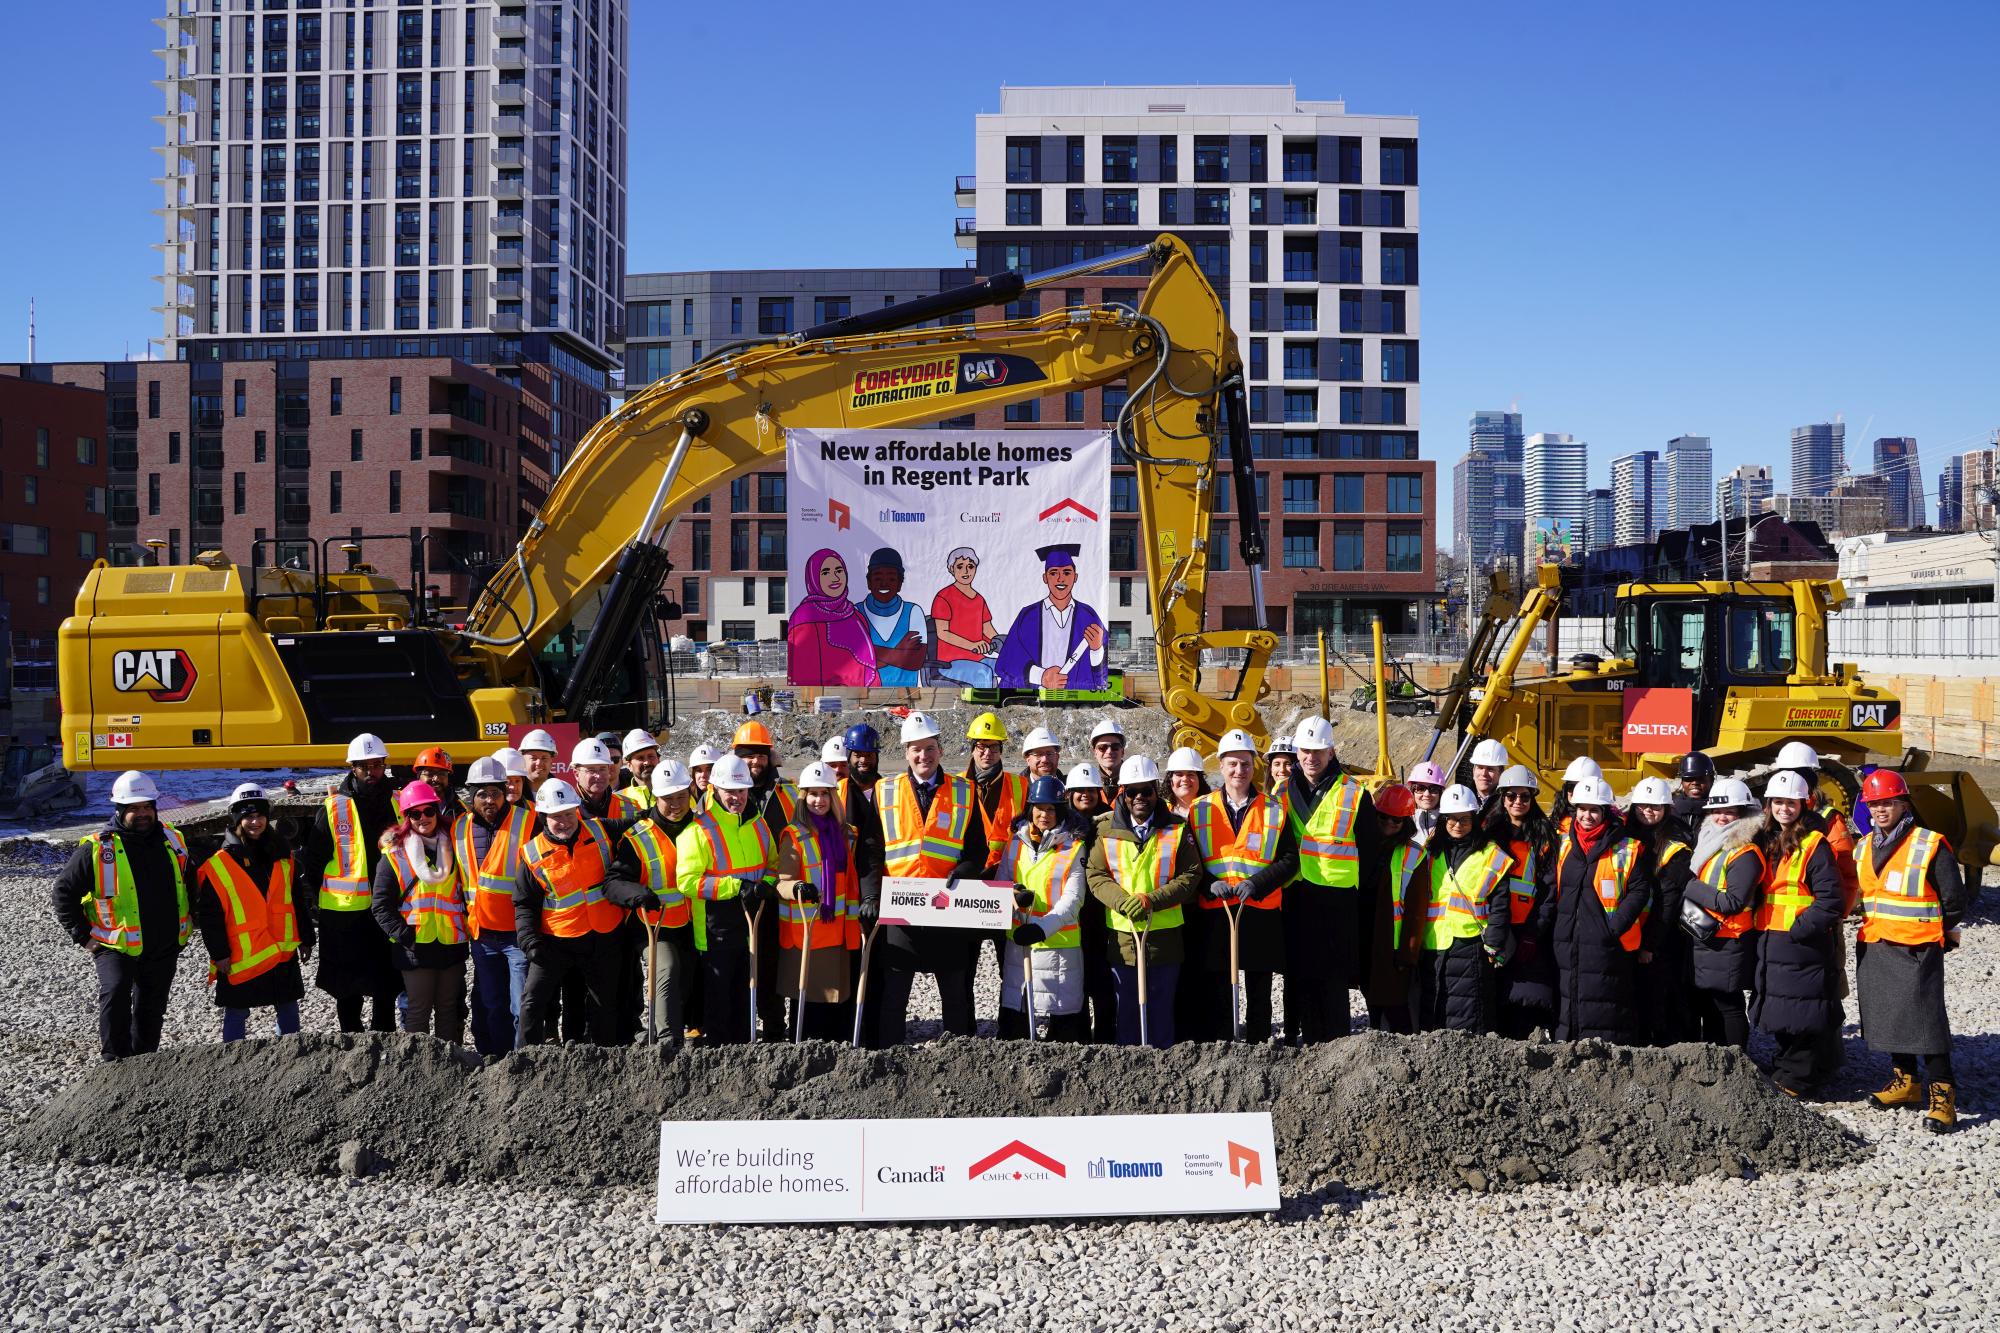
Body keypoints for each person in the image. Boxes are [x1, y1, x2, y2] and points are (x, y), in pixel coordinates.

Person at [1853, 769, 1968, 1132]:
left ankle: (1943, 1096)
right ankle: (1907, 1083)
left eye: (1888, 802)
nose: (1881, 810)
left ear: (1904, 804)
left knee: (1927, 1023)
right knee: (1889, 1016)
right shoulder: (1864, 845)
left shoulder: (1929, 843)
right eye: (1875, 804)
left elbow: (1954, 900)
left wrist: (1936, 931)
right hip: (1878, 943)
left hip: (1917, 948)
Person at [53, 771, 193, 1061]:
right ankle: (114, 1064)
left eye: (146, 807)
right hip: (115, 945)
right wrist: (83, 936)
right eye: (133, 809)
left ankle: (144, 1061)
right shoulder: (96, 848)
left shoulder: (173, 839)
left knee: (151, 1007)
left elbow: (190, 883)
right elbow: (63, 893)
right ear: (119, 810)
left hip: (163, 943)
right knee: (115, 996)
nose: (142, 814)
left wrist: (193, 922)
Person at [872, 712, 988, 1045]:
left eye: (930, 748)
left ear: (940, 749)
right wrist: (870, 896)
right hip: (900, 909)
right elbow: (871, 849)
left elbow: (976, 849)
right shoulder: (885, 791)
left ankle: (958, 1055)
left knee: (954, 991)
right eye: (916, 750)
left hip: (946, 908)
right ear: (906, 752)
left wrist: (964, 871)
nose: (924, 756)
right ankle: (888, 1055)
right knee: (895, 994)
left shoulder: (964, 791)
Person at [515, 778, 656, 1046]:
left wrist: (661, 810)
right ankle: (523, 1062)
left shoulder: (601, 830)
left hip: (603, 938)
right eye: (557, 816)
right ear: (544, 817)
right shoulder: (532, 854)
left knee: (605, 1005)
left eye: (569, 813)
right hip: (555, 942)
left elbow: (638, 821)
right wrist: (530, 943)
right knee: (532, 1001)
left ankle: (606, 1061)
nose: (565, 821)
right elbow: (524, 904)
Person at [1086, 755, 1202, 1049]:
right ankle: (1128, 1072)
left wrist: (1151, 901)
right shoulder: (1105, 829)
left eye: (1146, 791)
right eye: (1132, 791)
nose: (1140, 797)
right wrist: (1123, 903)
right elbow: (1096, 874)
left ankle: (1161, 1071)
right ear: (1123, 793)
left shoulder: (1176, 828)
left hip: (1165, 935)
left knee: (1162, 1008)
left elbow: (1191, 874)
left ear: (1156, 791)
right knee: (1126, 1009)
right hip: (1123, 935)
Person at [1186, 729, 1293, 1042]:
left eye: (1245, 764)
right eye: (1232, 764)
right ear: (1221, 766)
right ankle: (1222, 1044)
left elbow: (1289, 860)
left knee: (1259, 987)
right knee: (1218, 984)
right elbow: (1189, 862)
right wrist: (1209, 884)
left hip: (1260, 909)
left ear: (1254, 766)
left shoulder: (1273, 809)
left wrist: (1257, 884)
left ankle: (1259, 1044)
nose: (1239, 771)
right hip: (1217, 909)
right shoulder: (1200, 809)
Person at [299, 733, 403, 1034]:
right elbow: (313, 860)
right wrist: (323, 899)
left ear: (384, 766)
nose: (371, 772)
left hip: (387, 909)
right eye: (364, 767)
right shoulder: (334, 808)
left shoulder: (397, 803)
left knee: (386, 982)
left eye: (377, 765)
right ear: (352, 768)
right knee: (346, 986)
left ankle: (385, 1039)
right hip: (343, 915)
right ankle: (350, 1040)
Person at [1750, 771, 1845, 1097]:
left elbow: (1832, 899)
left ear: (1803, 805)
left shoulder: (1813, 845)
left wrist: (1799, 929)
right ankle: (1787, 1068)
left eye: (1790, 803)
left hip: (1799, 941)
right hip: (1773, 938)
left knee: (1802, 1012)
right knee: (1782, 1011)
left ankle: (1796, 1079)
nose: (1784, 809)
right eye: (1778, 802)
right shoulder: (1768, 839)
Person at [675, 756, 779, 1045]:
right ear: (716, 790)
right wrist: (736, 887)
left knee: (746, 997)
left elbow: (773, 863)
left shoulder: (758, 825)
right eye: (730, 791)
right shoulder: (698, 831)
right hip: (715, 930)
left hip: (750, 925)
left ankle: (743, 1056)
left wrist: (765, 886)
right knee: (719, 1003)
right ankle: (720, 1065)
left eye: (742, 791)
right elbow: (687, 881)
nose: (737, 798)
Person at [1283, 715, 1375, 1044]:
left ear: (1332, 752)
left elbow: (1370, 852)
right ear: (1297, 753)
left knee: (1335, 980)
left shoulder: (1354, 793)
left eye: (1319, 750)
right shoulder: (1283, 792)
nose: (1312, 757)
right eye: (1306, 751)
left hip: (1339, 899)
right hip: (1297, 894)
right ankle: (1307, 1042)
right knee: (1303, 973)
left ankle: (1336, 1046)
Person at [194, 783, 308, 1043]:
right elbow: (210, 916)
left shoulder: (282, 854)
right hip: (241, 955)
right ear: (237, 819)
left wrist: (306, 938)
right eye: (248, 816)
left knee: (288, 1009)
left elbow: (295, 899)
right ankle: (233, 1064)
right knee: (236, 1012)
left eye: (260, 815)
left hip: (281, 948)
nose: (255, 822)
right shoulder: (219, 864)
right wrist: (219, 953)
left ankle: (292, 1059)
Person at [1543, 776, 1652, 1044]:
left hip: (1607, 947)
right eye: (1582, 809)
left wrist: (1612, 928)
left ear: (1605, 812)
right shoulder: (1564, 844)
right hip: (1567, 942)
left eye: (1594, 810)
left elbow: (1640, 891)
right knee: (1567, 1001)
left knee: (1606, 1005)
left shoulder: (1626, 848)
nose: (1587, 816)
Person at [774, 762, 875, 1040]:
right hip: (808, 934)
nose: (819, 800)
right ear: (803, 798)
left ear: (834, 796)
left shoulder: (847, 835)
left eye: (825, 793)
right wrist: (799, 887)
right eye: (812, 794)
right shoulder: (794, 836)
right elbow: (781, 882)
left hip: (841, 932)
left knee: (839, 1001)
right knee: (810, 1005)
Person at [370, 780, 469, 1043]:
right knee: (418, 1011)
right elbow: (380, 905)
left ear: (437, 811)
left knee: (449, 1010)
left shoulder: (457, 847)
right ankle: (419, 1073)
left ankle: (451, 1068)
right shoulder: (395, 854)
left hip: (451, 942)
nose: (423, 818)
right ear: (406, 817)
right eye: (415, 813)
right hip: (415, 946)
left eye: (428, 811)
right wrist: (405, 936)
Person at [1408, 785, 1511, 1034]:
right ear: (1443, 819)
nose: (1458, 824)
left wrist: (1495, 941)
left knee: (1468, 1017)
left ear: (1474, 819)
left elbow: (1500, 903)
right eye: (1452, 818)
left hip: (1472, 946)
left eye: (1465, 818)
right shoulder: (1430, 852)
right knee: (1434, 1010)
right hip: (1434, 945)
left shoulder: (1490, 853)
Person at [998, 776, 1089, 1041]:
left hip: (1059, 946)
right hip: (1020, 943)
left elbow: (1073, 900)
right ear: (1030, 809)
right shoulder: (1015, 843)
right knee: (1016, 1015)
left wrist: (1042, 928)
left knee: (1063, 1025)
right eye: (1039, 807)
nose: (1044, 814)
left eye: (1051, 809)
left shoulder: (1074, 848)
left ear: (1060, 811)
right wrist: (1015, 894)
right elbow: (1001, 882)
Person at [455, 756, 536, 1056]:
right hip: (483, 934)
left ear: (506, 792)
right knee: (492, 1004)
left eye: (495, 792)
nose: (489, 800)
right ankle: (499, 1062)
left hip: (517, 934)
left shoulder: (528, 821)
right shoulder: (459, 828)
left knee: (520, 1005)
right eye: (482, 794)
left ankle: (522, 1061)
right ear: (472, 796)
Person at [615, 760, 700, 1042]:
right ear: (655, 797)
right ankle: (666, 1042)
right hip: (654, 925)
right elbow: (613, 882)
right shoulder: (638, 836)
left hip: (693, 922)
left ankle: (693, 1031)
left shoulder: (702, 828)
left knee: (691, 979)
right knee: (666, 969)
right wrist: (639, 894)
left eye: (680, 797)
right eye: (667, 799)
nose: (675, 804)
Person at [1681, 778, 1766, 1049]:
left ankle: (1736, 1059)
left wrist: (1688, 884)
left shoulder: (1745, 852)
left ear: (1742, 813)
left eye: (1729, 811)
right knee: (1709, 1002)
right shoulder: (1710, 841)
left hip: (1728, 939)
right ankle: (1718, 1057)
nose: (1721, 817)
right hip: (1706, 934)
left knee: (1727, 1004)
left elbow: (1733, 902)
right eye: (1717, 811)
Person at [732, 719, 796, 1041]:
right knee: (739, 965)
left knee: (771, 964)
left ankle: (773, 1028)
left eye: (760, 754)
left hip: (773, 894)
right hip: (736, 894)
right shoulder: (724, 794)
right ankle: (742, 1029)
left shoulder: (787, 795)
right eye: (747, 755)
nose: (755, 761)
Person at [962, 711, 1025, 1022]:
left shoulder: (1019, 787)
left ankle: (1010, 1029)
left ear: (1003, 750)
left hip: (1005, 887)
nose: (987, 753)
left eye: (994, 747)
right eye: (981, 746)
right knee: (964, 968)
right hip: (969, 890)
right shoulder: (956, 787)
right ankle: (964, 1033)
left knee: (1010, 967)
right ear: (972, 748)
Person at [1625, 776, 1696, 1046]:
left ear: (1667, 808)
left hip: (1662, 937)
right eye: (1642, 805)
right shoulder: (1629, 835)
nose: (1648, 811)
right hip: (1633, 930)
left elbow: (1668, 903)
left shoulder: (1675, 847)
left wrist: (1650, 944)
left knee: (1662, 996)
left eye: (1655, 806)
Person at [1488, 764, 1557, 1039]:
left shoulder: (1544, 837)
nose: (1518, 802)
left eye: (1525, 796)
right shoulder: (1489, 835)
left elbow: (1549, 890)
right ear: (1502, 798)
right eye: (1512, 796)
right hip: (1496, 928)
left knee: (1525, 1003)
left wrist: (1532, 933)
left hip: (1528, 931)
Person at [995, 543, 1108, 691]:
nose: (1060, 579)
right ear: (1045, 578)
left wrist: (1096, 650)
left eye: (1067, 573)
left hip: (1072, 697)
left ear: (1076, 577)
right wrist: (1041, 676)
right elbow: (1007, 660)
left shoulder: (1088, 616)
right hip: (1033, 697)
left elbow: (1102, 677)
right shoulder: (1028, 616)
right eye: (1054, 573)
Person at [1362, 783, 1423, 1033]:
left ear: (1406, 822)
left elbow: (1416, 910)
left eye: (1396, 820)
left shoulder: (1413, 854)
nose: (1389, 823)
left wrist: (1408, 953)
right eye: (1384, 817)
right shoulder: (1365, 845)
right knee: (1373, 1005)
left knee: (1396, 1013)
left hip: (1393, 945)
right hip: (1366, 937)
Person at [1082, 718, 1127, 1041]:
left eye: (1114, 746)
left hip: (1123, 893)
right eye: (1103, 747)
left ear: (1123, 750)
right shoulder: (1083, 788)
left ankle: (1113, 1030)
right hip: (1090, 896)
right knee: (1091, 968)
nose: (1109, 752)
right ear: (1094, 752)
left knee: (1118, 968)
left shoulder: (1136, 784)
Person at [788, 547, 880, 687]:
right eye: (825, 573)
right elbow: (803, 668)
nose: (835, 578)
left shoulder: (855, 615)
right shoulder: (804, 616)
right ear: (813, 578)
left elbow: (869, 665)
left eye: (839, 571)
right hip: (822, 699)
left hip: (860, 697)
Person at [855, 546, 928, 687]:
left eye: (891, 578)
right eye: (877, 578)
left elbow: (915, 661)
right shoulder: (855, 612)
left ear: (900, 584)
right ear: (869, 582)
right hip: (862, 693)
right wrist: (900, 650)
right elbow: (853, 661)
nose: (884, 583)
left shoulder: (913, 612)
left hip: (905, 696)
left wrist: (870, 652)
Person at [930, 545, 999, 688]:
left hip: (978, 658)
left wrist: (1004, 645)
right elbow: (943, 633)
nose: (966, 571)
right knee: (983, 673)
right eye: (960, 566)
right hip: (950, 663)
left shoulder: (979, 599)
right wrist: (972, 645)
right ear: (951, 569)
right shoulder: (943, 597)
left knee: (1008, 667)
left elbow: (988, 630)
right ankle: (984, 709)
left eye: (970, 566)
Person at [572, 736, 643, 825]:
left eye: (602, 769)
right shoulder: (564, 811)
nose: (598, 776)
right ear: (576, 774)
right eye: (591, 770)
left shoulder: (631, 807)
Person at [409, 747, 464, 820]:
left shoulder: (462, 807)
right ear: (419, 776)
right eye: (430, 773)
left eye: (442, 774)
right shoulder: (406, 804)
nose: (436, 779)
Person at [1550, 756, 1604, 830]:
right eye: (1571, 787)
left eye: (1581, 787)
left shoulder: (1611, 824)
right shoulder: (1557, 815)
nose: (1576, 792)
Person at [839, 724, 882, 808]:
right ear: (849, 758)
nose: (863, 760)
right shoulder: (838, 792)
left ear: (876, 758)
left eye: (869, 755)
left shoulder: (891, 792)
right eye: (857, 755)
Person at [1405, 761, 1446, 846]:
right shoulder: (1402, 822)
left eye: (1433, 789)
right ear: (1413, 791)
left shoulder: (1450, 823)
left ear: (1440, 792)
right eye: (1420, 788)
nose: (1427, 794)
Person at [620, 730, 663, 809]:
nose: (646, 762)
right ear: (629, 765)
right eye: (640, 758)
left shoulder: (677, 793)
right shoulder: (619, 799)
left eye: (651, 756)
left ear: (658, 759)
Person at [1467, 738, 1510, 815]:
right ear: (1473, 771)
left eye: (1490, 769)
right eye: (1480, 767)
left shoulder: (1509, 804)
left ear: (1501, 773)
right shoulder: (1463, 799)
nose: (1484, 773)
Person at [1671, 752, 1716, 824]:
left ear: (1712, 780)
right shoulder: (1669, 808)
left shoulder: (1722, 810)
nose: (1695, 783)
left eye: (1701, 778)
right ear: (1682, 781)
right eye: (1689, 779)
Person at [1164, 748, 1209, 820]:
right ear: (1170, 779)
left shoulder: (1215, 808)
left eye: (1190, 774)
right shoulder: (1158, 812)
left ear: (1199, 779)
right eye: (1179, 774)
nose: (1185, 779)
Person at [688, 742, 720, 812]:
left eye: (709, 770)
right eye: (698, 770)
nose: (703, 775)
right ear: (693, 774)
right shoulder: (685, 797)